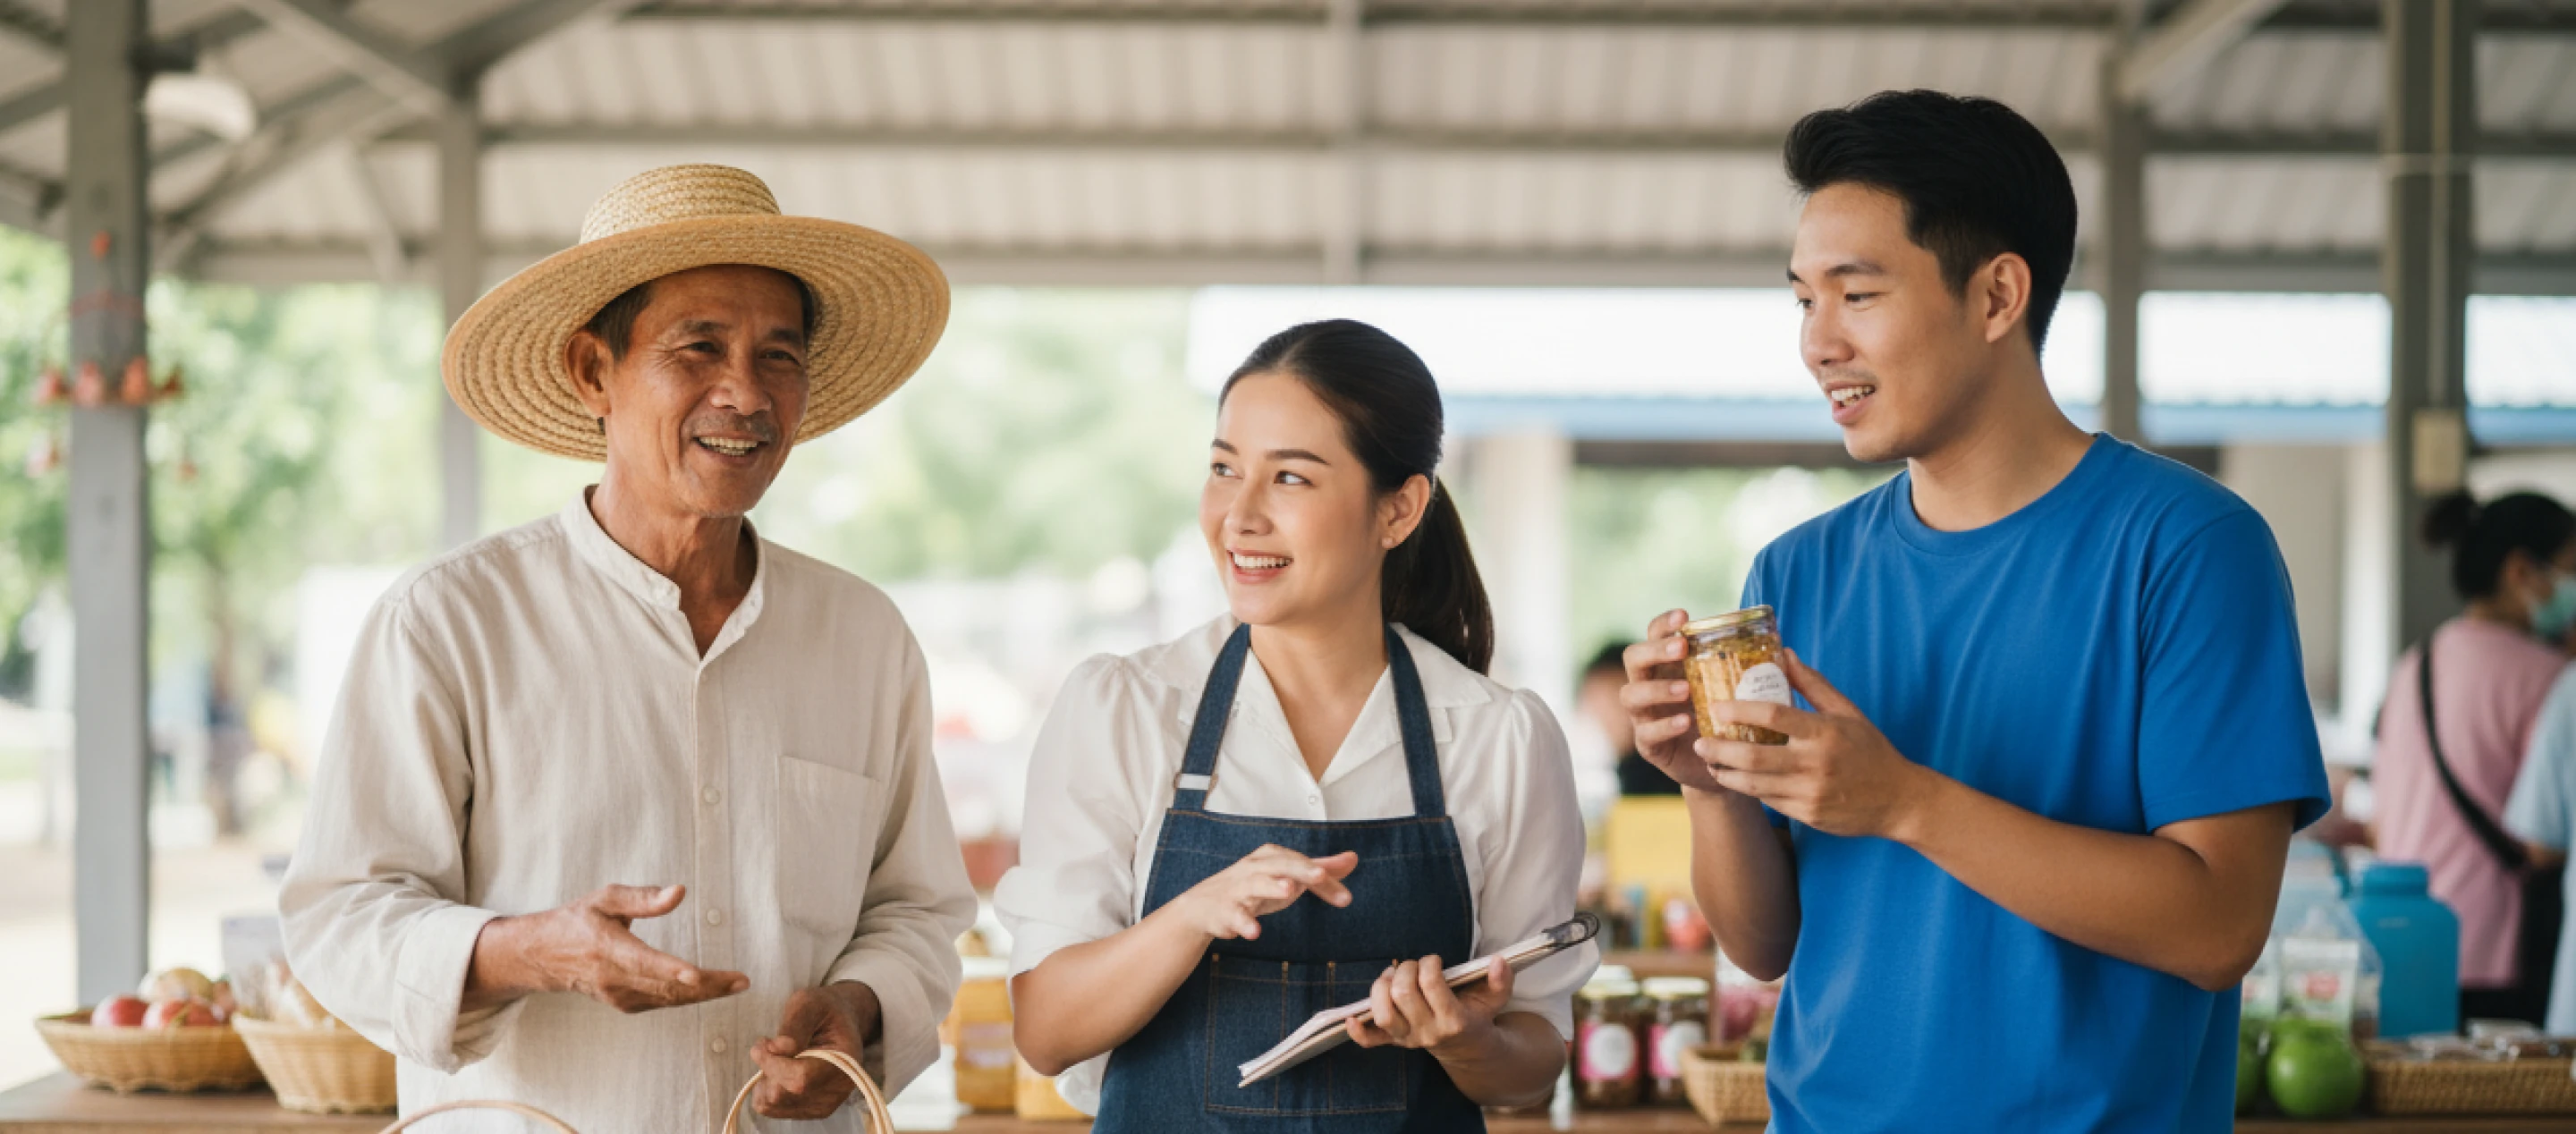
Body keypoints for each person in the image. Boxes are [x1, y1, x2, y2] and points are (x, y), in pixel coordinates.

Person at [1619, 91, 2329, 1132]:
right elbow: (1763, 944)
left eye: (1858, 294)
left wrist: (1905, 801)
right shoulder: (1797, 570)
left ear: (1997, 295)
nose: (1818, 342)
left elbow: (2219, 924)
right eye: (1804, 300)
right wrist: (1708, 786)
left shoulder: (2188, 547)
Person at [279, 165, 978, 1130]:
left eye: (779, 355)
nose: (746, 392)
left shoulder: (864, 638)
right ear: (591, 371)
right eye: (699, 347)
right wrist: (530, 950)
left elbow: (918, 910)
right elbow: (339, 916)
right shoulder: (449, 623)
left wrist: (857, 1012)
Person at [996, 319, 1595, 1131]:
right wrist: (1192, 915)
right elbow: (1046, 1031)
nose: (1238, 515)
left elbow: (1532, 1061)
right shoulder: (1124, 709)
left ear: (1399, 509)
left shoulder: (1502, 740)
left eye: (1290, 478)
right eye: (1223, 469)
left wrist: (1466, 1039)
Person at [2380, 490, 2575, 1024]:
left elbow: (2384, 814)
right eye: (2571, 567)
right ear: (2520, 571)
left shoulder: (2415, 663)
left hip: (2407, 937)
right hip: (2496, 948)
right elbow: (2545, 844)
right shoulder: (2549, 679)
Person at [1579, 642, 1679, 796]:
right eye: (1594, 703)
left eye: (1612, 699)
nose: (1606, 718)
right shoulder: (1617, 774)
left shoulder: (1668, 769)